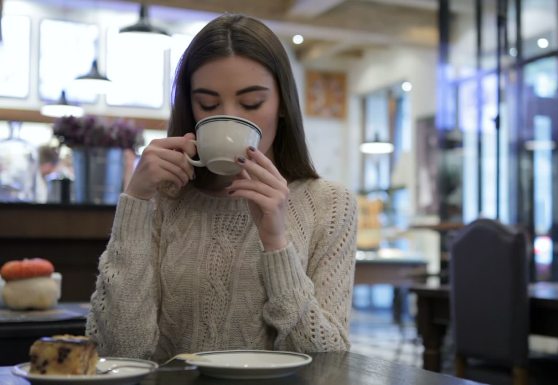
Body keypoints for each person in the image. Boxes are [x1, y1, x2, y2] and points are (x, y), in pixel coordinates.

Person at [86, 13, 358, 362]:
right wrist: (135, 200)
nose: (230, 118)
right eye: (209, 105)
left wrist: (276, 242)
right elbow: (118, 350)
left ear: (283, 107)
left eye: (251, 103)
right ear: (191, 108)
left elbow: (327, 361)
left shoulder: (330, 205)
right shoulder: (162, 200)